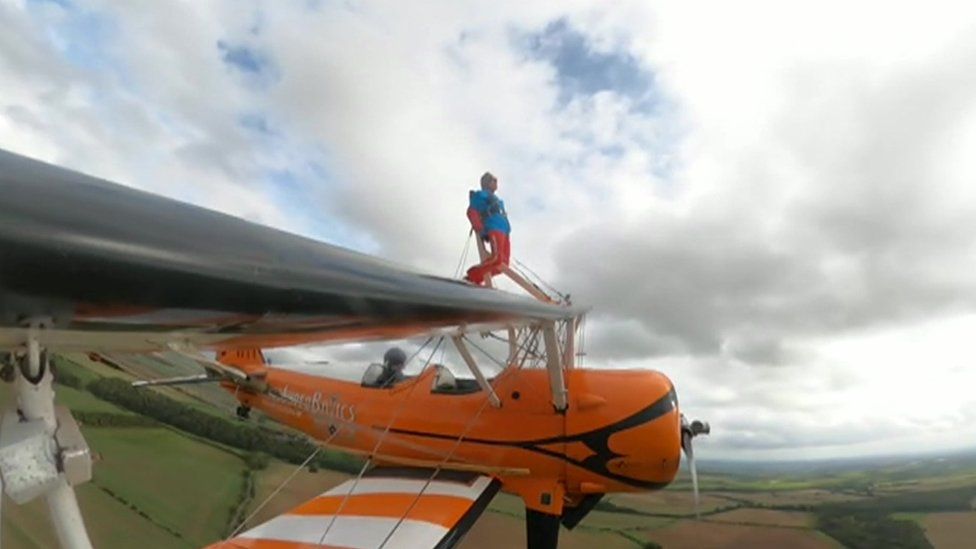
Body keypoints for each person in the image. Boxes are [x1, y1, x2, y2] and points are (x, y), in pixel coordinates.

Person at [464, 171, 511, 285]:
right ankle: (471, 276)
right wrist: (480, 229)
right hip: (494, 227)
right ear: (487, 183)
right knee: (497, 258)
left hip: (504, 231)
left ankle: (477, 279)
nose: (496, 183)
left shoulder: (498, 200)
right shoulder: (481, 195)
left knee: (503, 264)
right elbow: (471, 211)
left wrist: (508, 230)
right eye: (494, 181)